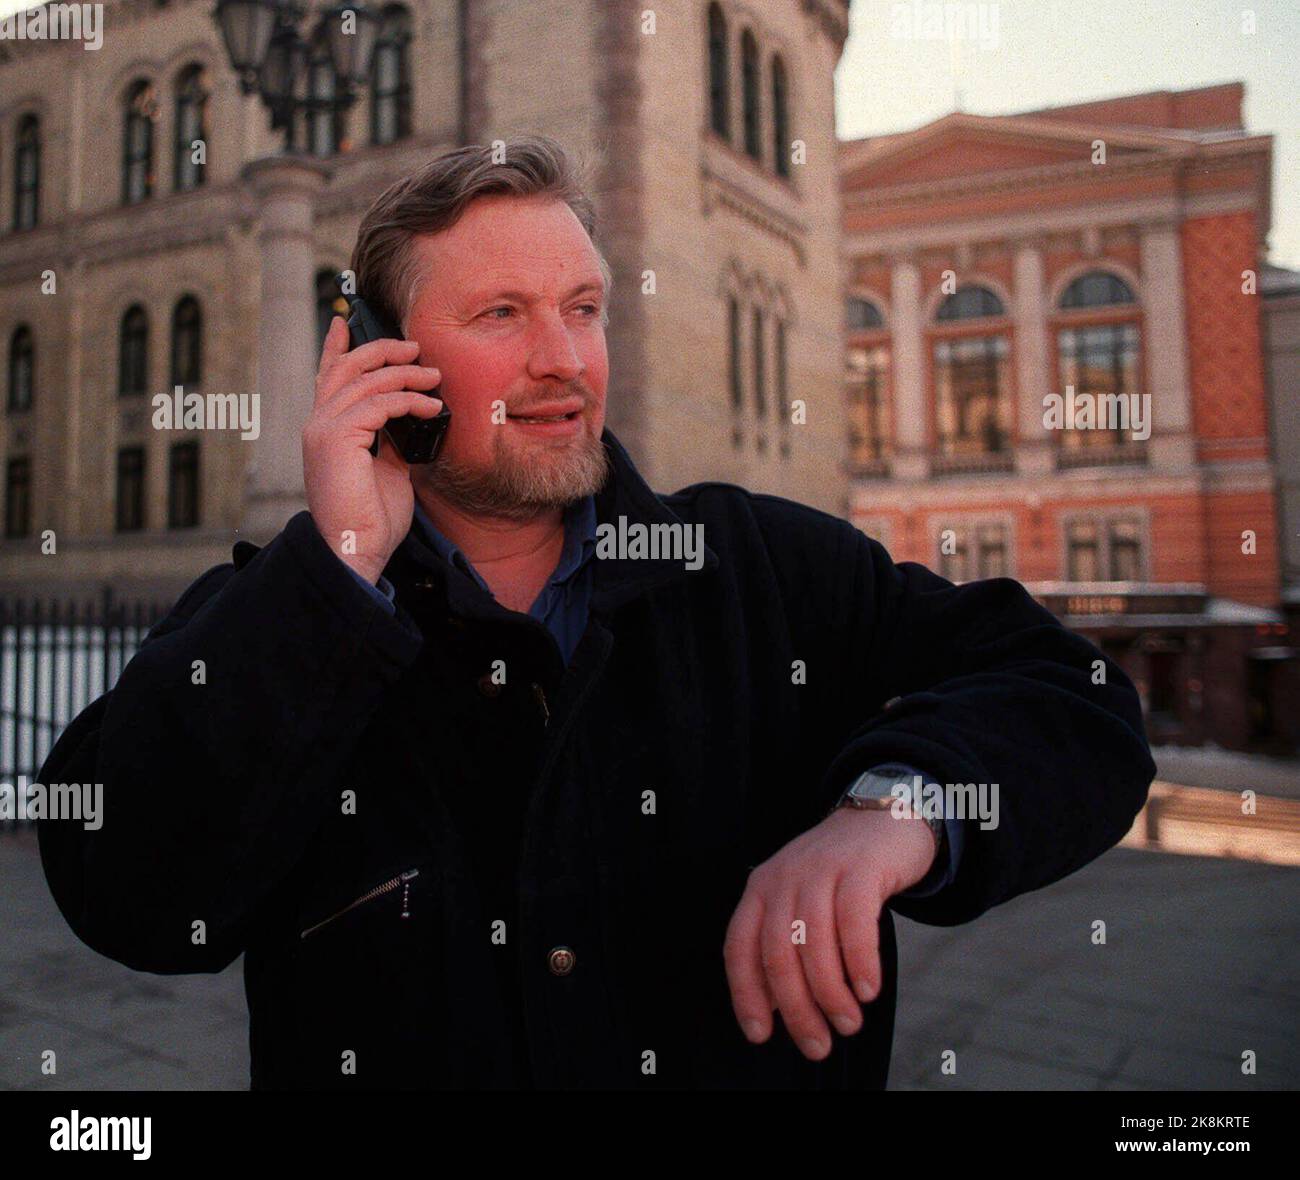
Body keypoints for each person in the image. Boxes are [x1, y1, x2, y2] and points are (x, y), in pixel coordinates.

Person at [37, 135, 1155, 1090]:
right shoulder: (277, 620)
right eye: (502, 315)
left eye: (582, 308)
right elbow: (125, 889)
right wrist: (333, 578)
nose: (564, 359)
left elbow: (1078, 694)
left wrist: (894, 810)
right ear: (384, 361)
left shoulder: (761, 570)